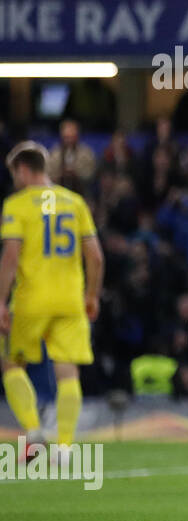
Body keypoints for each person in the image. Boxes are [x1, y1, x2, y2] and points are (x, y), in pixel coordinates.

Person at [0, 142, 103, 457]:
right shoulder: (75, 202)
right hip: (71, 299)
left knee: (11, 364)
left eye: (14, 173)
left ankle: (33, 431)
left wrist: (1, 300)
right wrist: (92, 295)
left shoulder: (17, 205)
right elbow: (96, 257)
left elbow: (11, 256)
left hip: (31, 299)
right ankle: (65, 448)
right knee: (68, 371)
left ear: (23, 169)